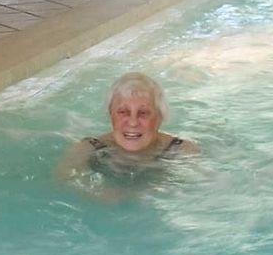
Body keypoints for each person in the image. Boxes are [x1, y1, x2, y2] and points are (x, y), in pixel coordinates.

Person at [57, 71, 198, 182]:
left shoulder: (182, 150)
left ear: (160, 117)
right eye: (123, 112)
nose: (132, 122)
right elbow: (63, 183)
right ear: (111, 114)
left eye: (143, 113)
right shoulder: (88, 149)